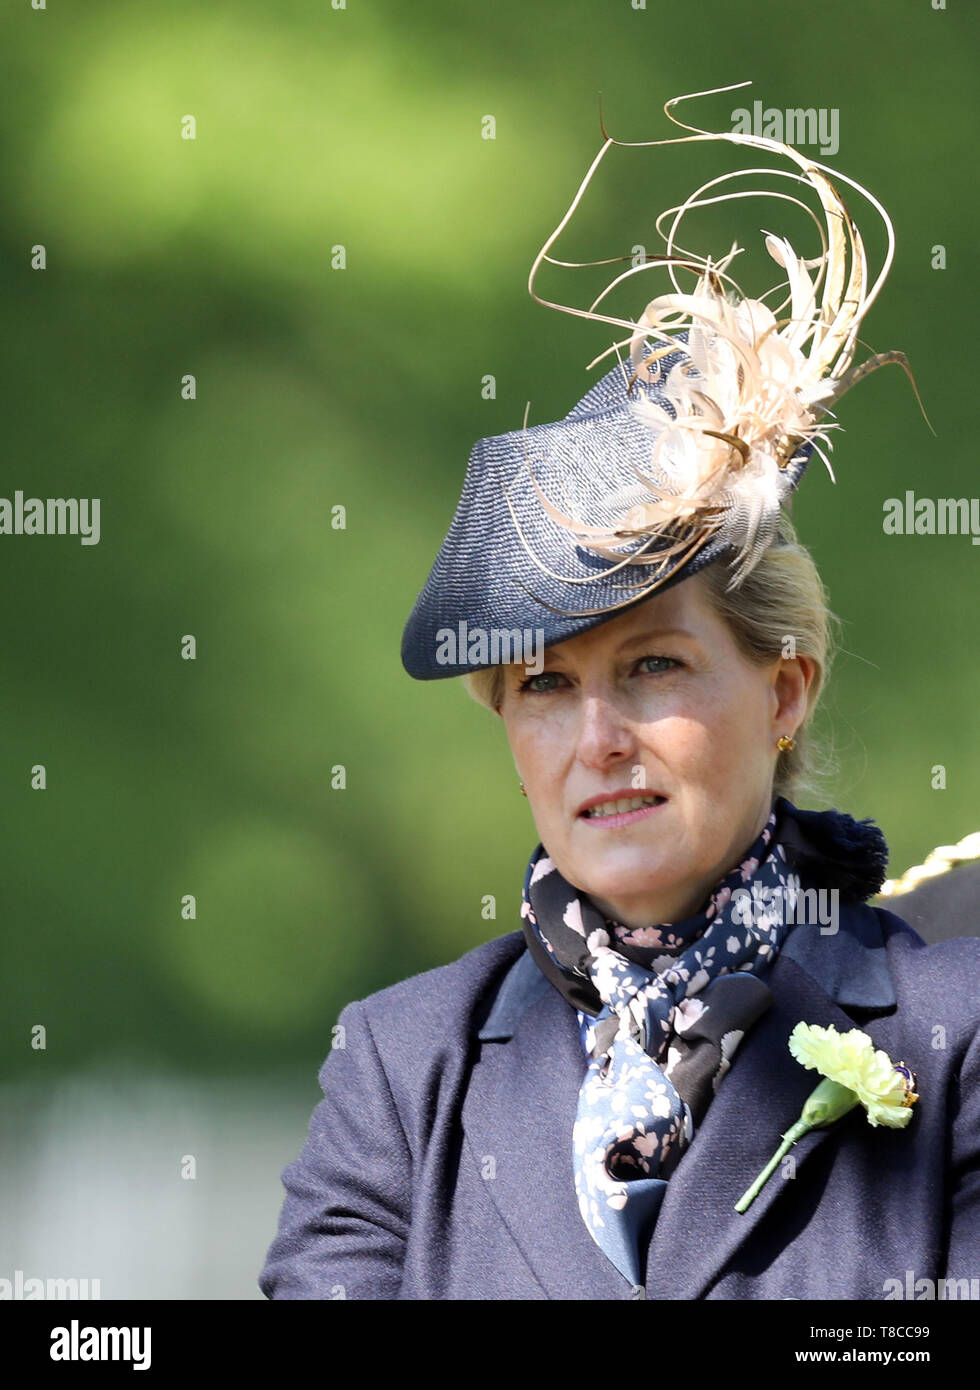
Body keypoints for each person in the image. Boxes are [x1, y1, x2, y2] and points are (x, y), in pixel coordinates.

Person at [259, 86, 980, 1301]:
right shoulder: (403, 1064)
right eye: (543, 685)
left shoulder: (950, 1035)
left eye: (651, 666)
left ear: (783, 691)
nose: (598, 738)